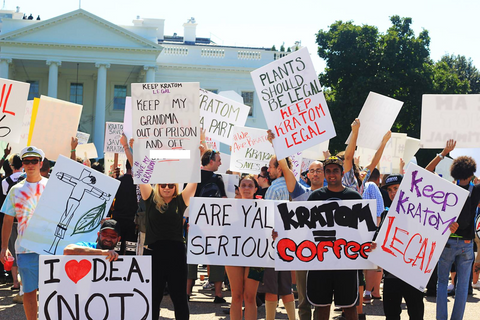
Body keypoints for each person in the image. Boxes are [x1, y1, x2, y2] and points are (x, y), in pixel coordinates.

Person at [121, 134, 196, 320]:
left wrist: (197, 151)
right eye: (163, 184)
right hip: (154, 253)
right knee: (153, 299)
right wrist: (128, 149)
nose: (167, 187)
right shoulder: (150, 200)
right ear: (158, 186)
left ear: (175, 187)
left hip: (177, 253)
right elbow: (139, 173)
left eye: (171, 185)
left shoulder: (181, 201)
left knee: (179, 298)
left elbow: (194, 180)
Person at [425, 139, 480, 320]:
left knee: (442, 283)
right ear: (472, 173)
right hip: (466, 244)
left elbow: (425, 173)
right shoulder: (476, 190)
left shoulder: (447, 188)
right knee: (462, 286)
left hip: (447, 242)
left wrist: (443, 153)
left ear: (453, 172)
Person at [306, 156, 362, 320]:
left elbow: (363, 230)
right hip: (320, 261)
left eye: (335, 171)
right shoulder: (315, 197)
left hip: (346, 262)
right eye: (328, 171)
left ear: (342, 172)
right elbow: (303, 228)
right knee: (321, 307)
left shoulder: (354, 197)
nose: (332, 175)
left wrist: (368, 244)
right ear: (324, 173)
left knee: (350, 307)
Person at [0, 146, 47, 320]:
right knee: (29, 291)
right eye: (26, 161)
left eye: (34, 161)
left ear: (40, 163)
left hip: (50, 248)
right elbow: (7, 220)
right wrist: (4, 247)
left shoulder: (52, 187)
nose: (30, 164)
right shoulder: (15, 190)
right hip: (25, 249)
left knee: (53, 291)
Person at [371, 174, 425, 320]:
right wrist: (373, 245)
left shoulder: (421, 212)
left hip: (413, 275)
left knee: (416, 314)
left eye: (396, 188)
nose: (393, 192)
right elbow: (378, 240)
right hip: (391, 276)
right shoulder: (386, 214)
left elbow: (434, 233)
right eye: (389, 190)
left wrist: (449, 227)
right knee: (391, 314)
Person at [258, 155, 296, 320]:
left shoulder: (274, 189)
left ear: (279, 168)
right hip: (288, 244)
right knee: (286, 288)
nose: (268, 170)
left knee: (271, 288)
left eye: (271, 167)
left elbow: (268, 218)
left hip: (273, 244)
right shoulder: (293, 186)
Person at [187, 149, 227, 303]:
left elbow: (186, 199)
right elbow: (223, 200)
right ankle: (218, 295)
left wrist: (186, 220)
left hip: (193, 223)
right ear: (211, 162)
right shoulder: (218, 178)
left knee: (191, 256)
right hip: (214, 225)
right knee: (216, 256)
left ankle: (187, 292)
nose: (220, 163)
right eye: (218, 160)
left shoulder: (192, 177)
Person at [226, 174, 262, 320]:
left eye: (250, 186)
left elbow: (270, 229)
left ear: (255, 189)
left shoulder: (264, 208)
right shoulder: (229, 208)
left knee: (250, 297)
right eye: (243, 185)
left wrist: (274, 234)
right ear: (239, 189)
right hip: (232, 254)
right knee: (236, 296)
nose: (246, 188)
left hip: (256, 256)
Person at [362, 168, 384, 303]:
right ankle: (373, 291)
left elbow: (378, 212)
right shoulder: (368, 186)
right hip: (367, 229)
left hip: (369, 230)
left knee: (372, 262)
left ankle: (369, 292)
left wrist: (371, 231)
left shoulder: (370, 186)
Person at [110, 160, 138, 255]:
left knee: (117, 250)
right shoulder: (140, 184)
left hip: (117, 221)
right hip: (132, 222)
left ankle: (116, 268)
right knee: (131, 250)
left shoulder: (118, 181)